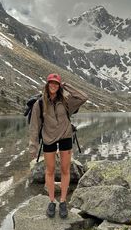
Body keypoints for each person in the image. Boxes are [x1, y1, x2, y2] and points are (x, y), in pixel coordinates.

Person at [29, 73, 88, 218]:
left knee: (65, 170)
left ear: (59, 85)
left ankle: (62, 201)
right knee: (49, 171)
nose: (53, 85)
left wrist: (66, 85)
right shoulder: (40, 103)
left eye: (56, 83)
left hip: (65, 137)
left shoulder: (66, 101)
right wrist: (33, 145)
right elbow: (34, 125)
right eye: (51, 83)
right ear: (47, 84)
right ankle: (51, 201)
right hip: (48, 139)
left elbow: (83, 97)